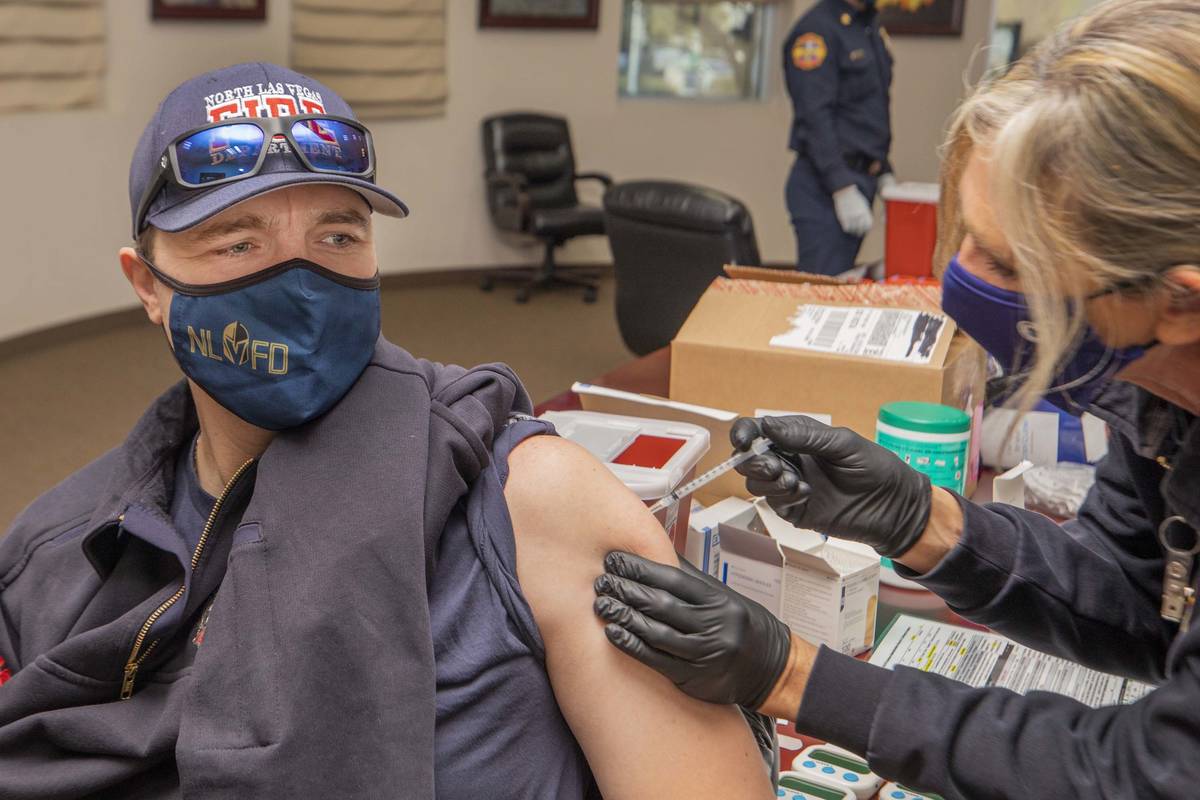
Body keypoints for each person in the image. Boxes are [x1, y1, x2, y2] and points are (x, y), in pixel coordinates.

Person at [0, 63, 774, 799]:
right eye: (239, 242)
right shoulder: (61, 550)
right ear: (147, 285)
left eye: (337, 238)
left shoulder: (537, 503)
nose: (299, 285)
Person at [593, 1, 1200, 797]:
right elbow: (1141, 598)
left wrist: (796, 676)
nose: (964, 282)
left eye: (1011, 265)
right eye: (967, 237)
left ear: (1179, 300)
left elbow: (1159, 773)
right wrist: (925, 522)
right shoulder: (1161, 392)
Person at [783, 0, 895, 275]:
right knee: (821, 295)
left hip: (861, 178)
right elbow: (814, 117)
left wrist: (883, 170)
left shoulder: (867, 24)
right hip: (825, 187)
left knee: (841, 283)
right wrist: (841, 188)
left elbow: (866, 112)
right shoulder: (816, 31)